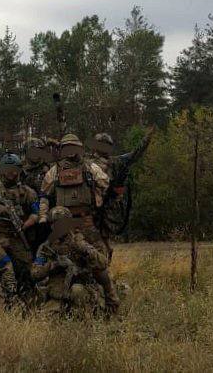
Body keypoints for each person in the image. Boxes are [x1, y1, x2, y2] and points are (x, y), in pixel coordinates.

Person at [38, 135, 119, 312]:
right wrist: (43, 217)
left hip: (86, 222)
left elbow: (106, 185)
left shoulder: (90, 167)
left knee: (99, 264)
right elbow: (44, 196)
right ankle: (65, 302)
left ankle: (111, 301)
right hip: (62, 225)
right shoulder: (54, 171)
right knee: (61, 264)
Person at [0, 153, 39, 294]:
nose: (11, 172)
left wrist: (25, 224)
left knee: (28, 269)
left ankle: (25, 295)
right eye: (7, 169)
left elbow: (36, 213)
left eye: (14, 169)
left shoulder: (27, 192)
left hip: (18, 236)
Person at [87, 129, 154, 257]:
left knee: (101, 237)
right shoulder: (88, 162)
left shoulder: (114, 162)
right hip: (93, 206)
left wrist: (147, 139)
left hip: (106, 207)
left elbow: (135, 154)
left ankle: (104, 257)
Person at [30, 206, 110, 314]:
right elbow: (35, 274)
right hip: (58, 293)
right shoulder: (46, 247)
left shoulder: (83, 240)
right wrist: (53, 265)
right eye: (55, 223)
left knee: (77, 291)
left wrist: (84, 249)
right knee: (45, 317)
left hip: (83, 289)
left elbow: (103, 263)